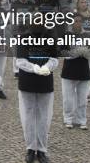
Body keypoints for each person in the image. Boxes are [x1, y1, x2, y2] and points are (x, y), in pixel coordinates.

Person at [16, 22, 58, 163]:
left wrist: (46, 67)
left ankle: (41, 150)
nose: (38, 24)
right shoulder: (23, 38)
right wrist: (35, 68)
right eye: (35, 20)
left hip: (45, 82)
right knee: (28, 117)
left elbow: (54, 60)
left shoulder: (50, 38)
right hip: (27, 82)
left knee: (44, 117)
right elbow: (20, 61)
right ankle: (30, 148)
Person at [60, 16, 90, 130]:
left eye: (80, 21)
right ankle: (68, 119)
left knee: (82, 99)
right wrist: (73, 53)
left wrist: (86, 52)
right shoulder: (66, 35)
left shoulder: (87, 36)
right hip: (69, 70)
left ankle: (81, 119)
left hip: (83, 70)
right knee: (68, 99)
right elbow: (61, 51)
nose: (78, 23)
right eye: (75, 21)